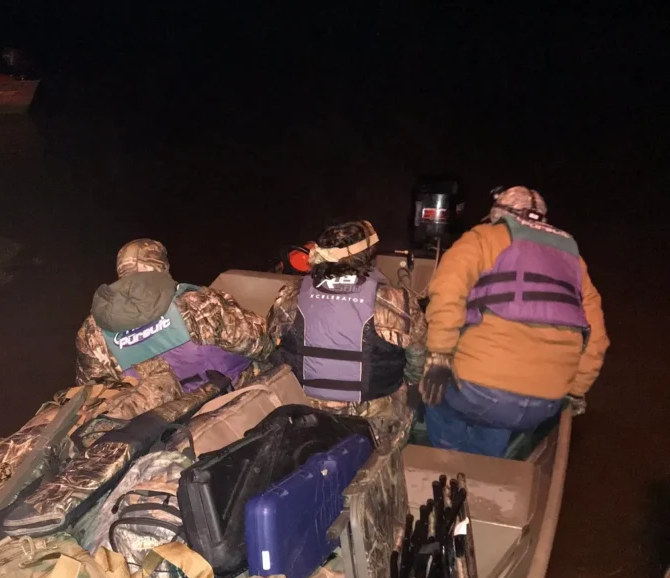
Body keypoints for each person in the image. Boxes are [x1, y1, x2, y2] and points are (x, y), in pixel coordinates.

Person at [420, 186, 609, 456]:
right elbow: (596, 335)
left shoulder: (482, 238)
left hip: (478, 392)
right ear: (542, 220)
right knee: (499, 417)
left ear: (499, 214)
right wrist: (576, 391)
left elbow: (447, 292)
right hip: (547, 402)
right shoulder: (574, 261)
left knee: (434, 396)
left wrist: (439, 354)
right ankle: (485, 469)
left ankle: (447, 462)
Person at [267, 219, 427, 451]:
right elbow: (417, 360)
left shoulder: (290, 294)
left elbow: (271, 341)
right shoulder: (397, 301)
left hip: (304, 410)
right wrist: (409, 382)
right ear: (370, 254)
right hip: (372, 416)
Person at [76, 238, 273, 390]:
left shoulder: (93, 330)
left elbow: (93, 389)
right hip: (223, 402)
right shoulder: (196, 303)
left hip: (160, 426)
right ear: (163, 266)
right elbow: (260, 343)